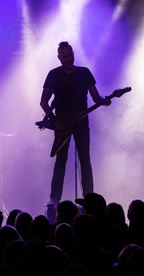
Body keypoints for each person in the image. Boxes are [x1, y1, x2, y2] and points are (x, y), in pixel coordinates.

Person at [40, 41, 110, 204]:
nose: (68, 58)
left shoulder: (84, 73)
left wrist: (105, 101)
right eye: (64, 56)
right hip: (61, 125)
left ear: (73, 55)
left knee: (85, 159)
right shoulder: (53, 75)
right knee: (61, 160)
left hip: (81, 123)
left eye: (70, 55)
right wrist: (55, 120)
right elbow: (43, 102)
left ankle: (89, 198)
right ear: (59, 58)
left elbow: (95, 97)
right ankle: (54, 199)